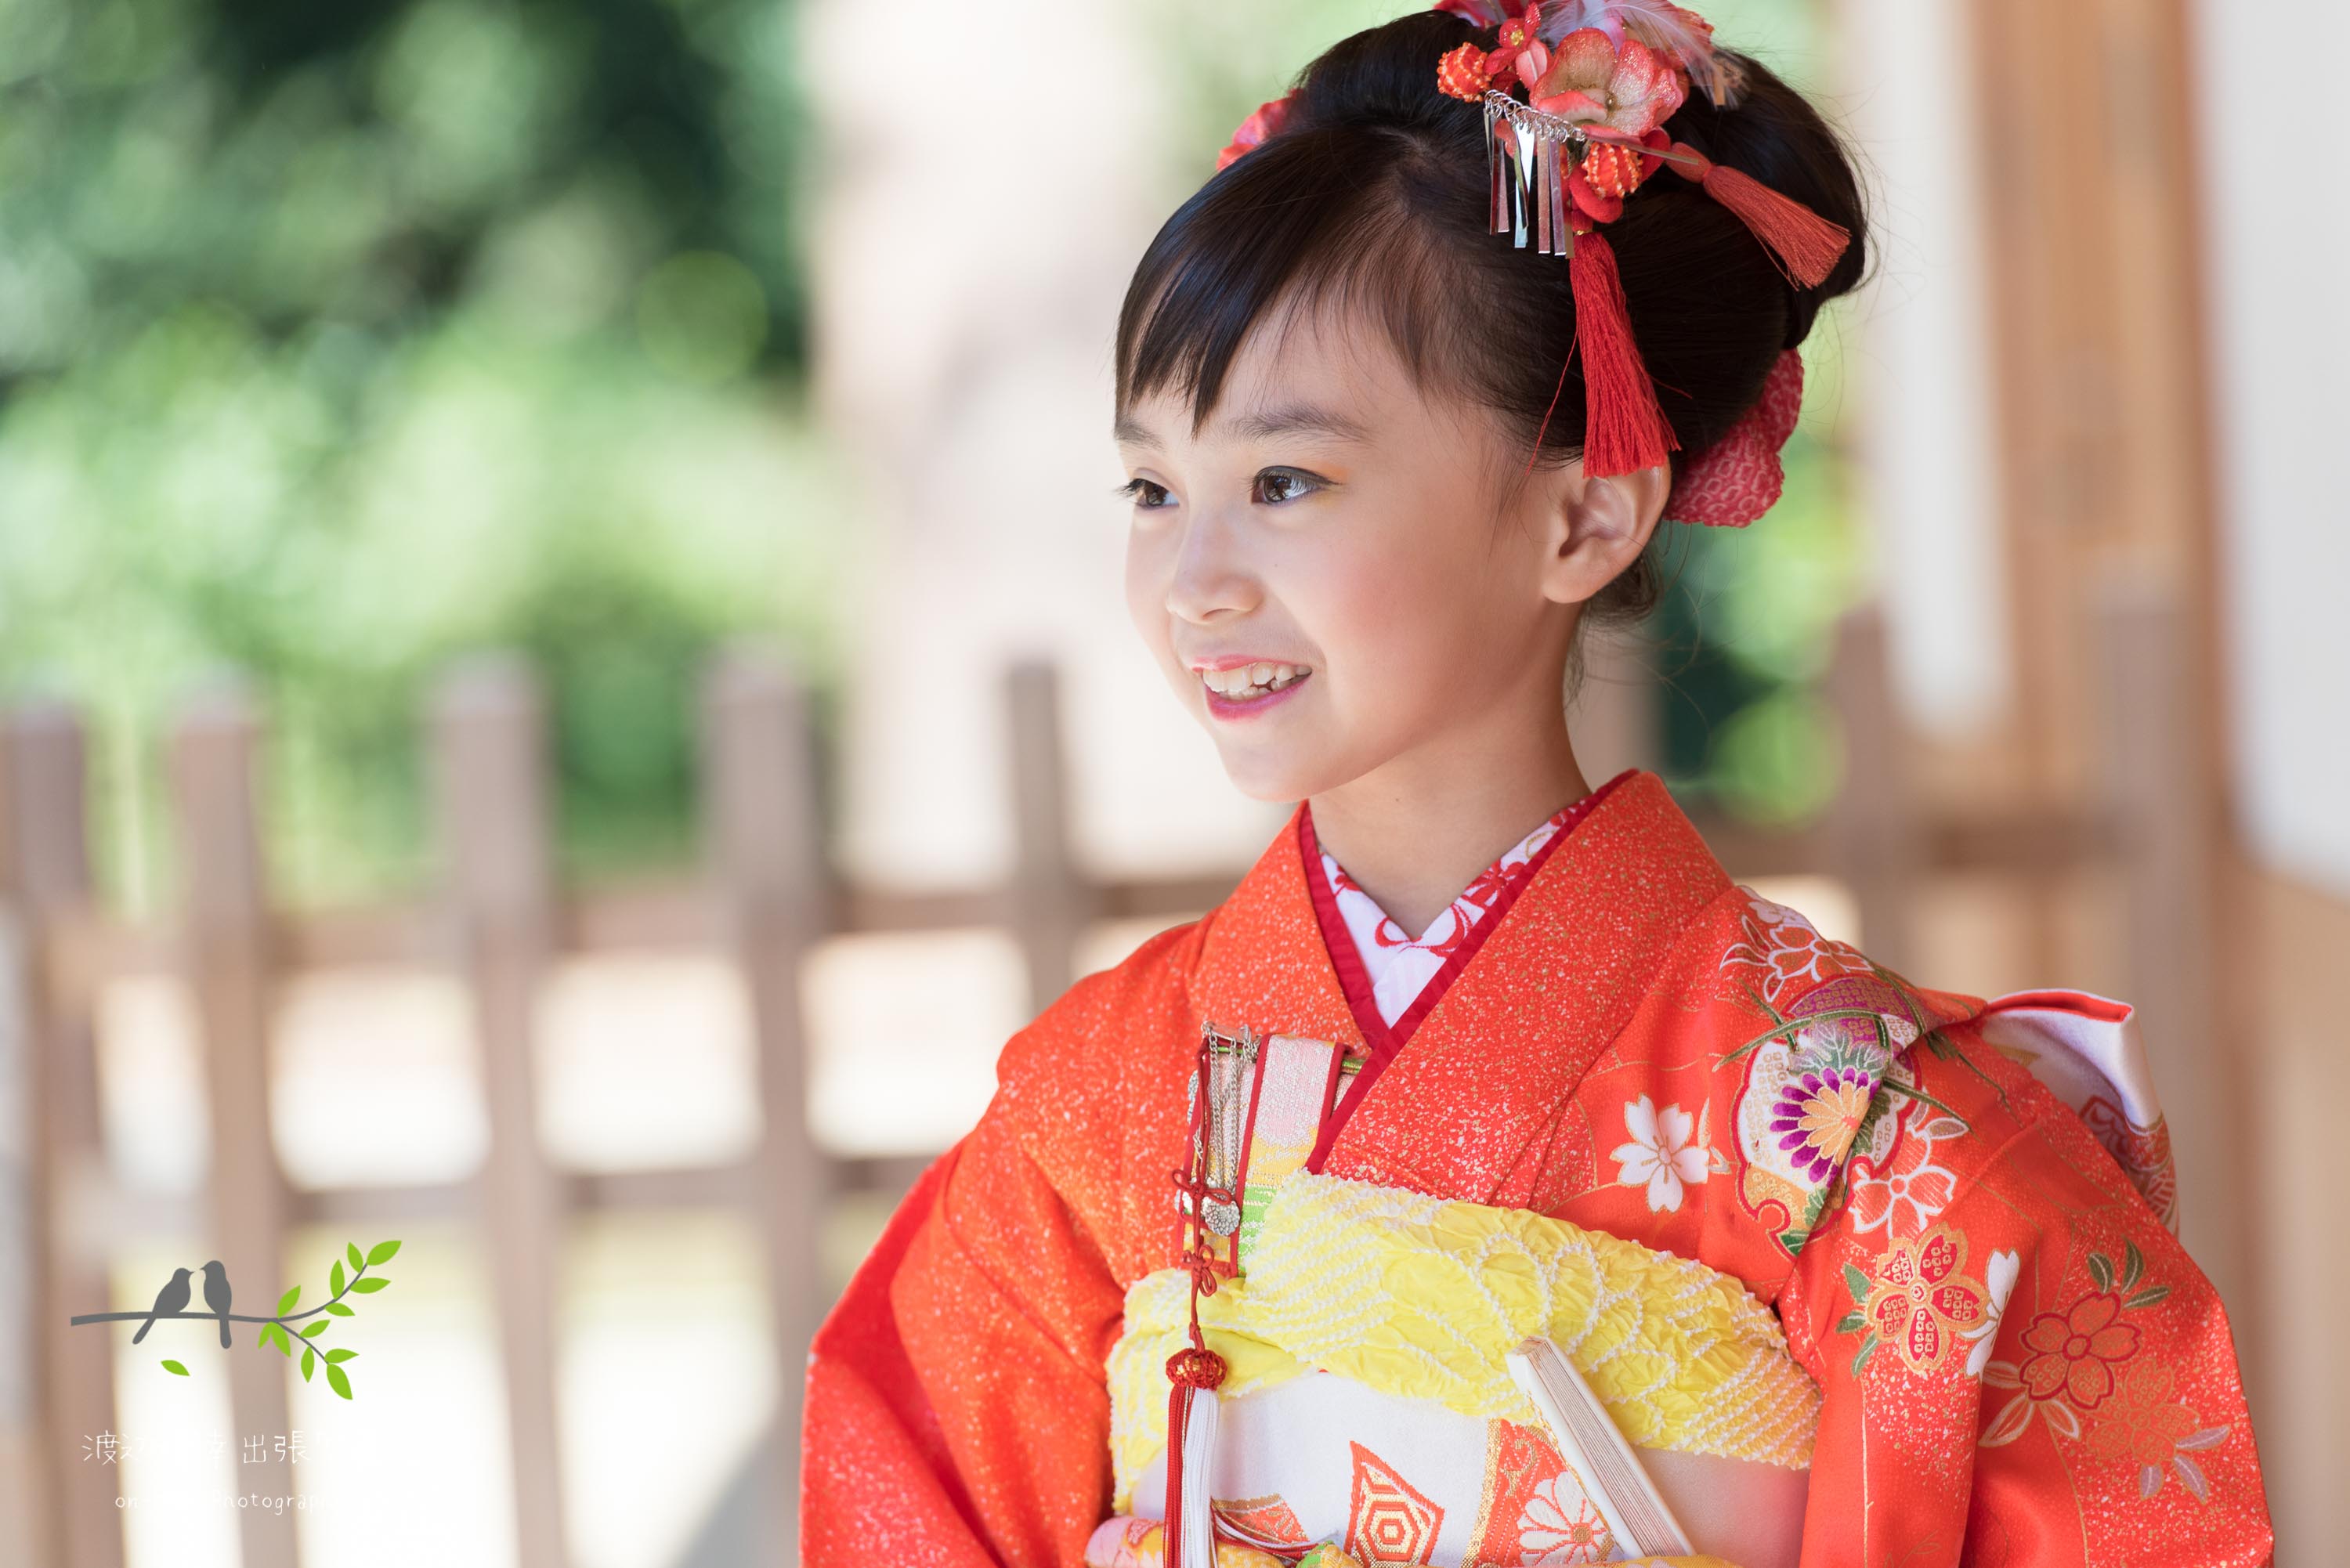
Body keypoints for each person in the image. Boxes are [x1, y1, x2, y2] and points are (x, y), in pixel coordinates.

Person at [799, 5, 2274, 1566]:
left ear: (1584, 518)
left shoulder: (1864, 1128)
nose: (1194, 578)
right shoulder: (1099, 1095)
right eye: (1156, 487)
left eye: (1285, 480)